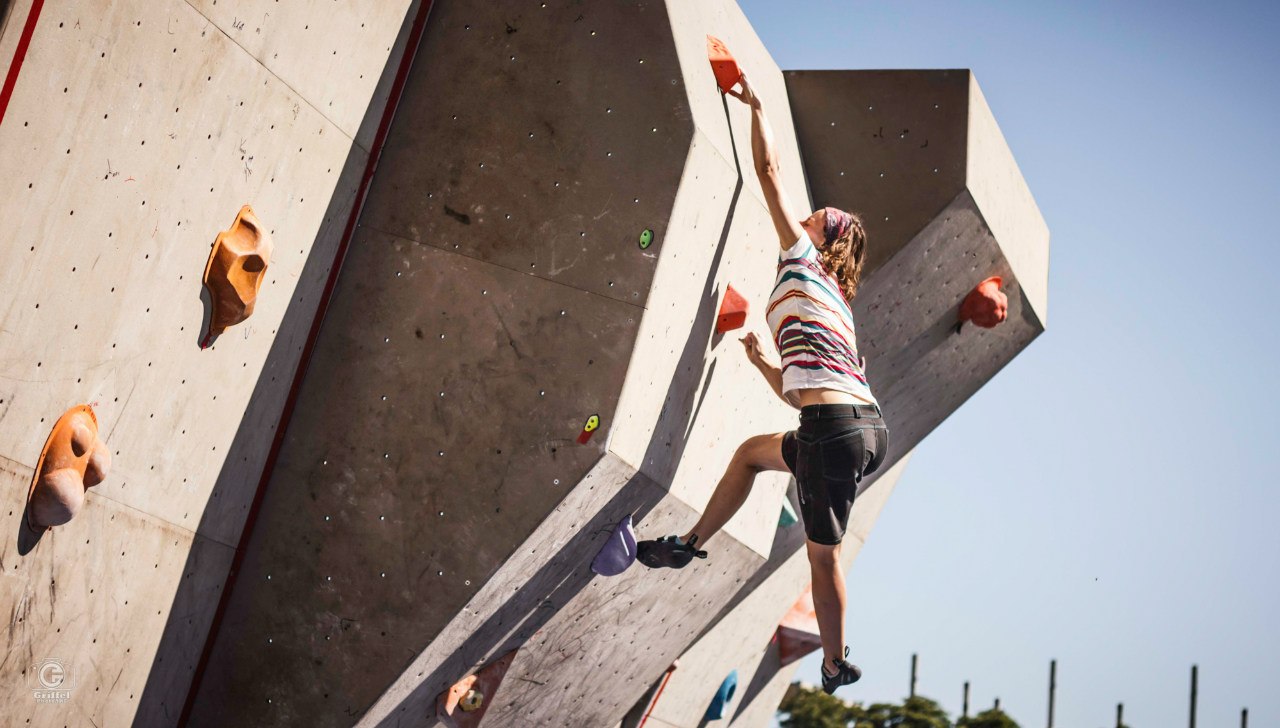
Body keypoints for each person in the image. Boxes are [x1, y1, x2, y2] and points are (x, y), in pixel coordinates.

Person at [636, 72, 889, 696]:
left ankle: (834, 662)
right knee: (752, 454)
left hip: (835, 430)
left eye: (820, 218)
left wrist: (757, 107)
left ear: (825, 241)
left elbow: (770, 171)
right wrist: (758, 363)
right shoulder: (834, 302)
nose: (809, 215)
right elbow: (807, 390)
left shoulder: (803, 258)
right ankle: (688, 545)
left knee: (822, 555)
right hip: (854, 426)